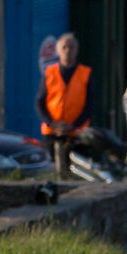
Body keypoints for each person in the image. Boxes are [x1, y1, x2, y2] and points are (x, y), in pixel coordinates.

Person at [37, 34, 92, 177]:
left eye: (71, 47)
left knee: (77, 174)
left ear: (76, 50)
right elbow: (39, 102)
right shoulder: (50, 73)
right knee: (53, 173)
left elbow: (90, 105)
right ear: (58, 51)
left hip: (77, 133)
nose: (68, 50)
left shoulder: (85, 73)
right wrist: (51, 123)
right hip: (52, 132)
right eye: (64, 47)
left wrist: (73, 125)